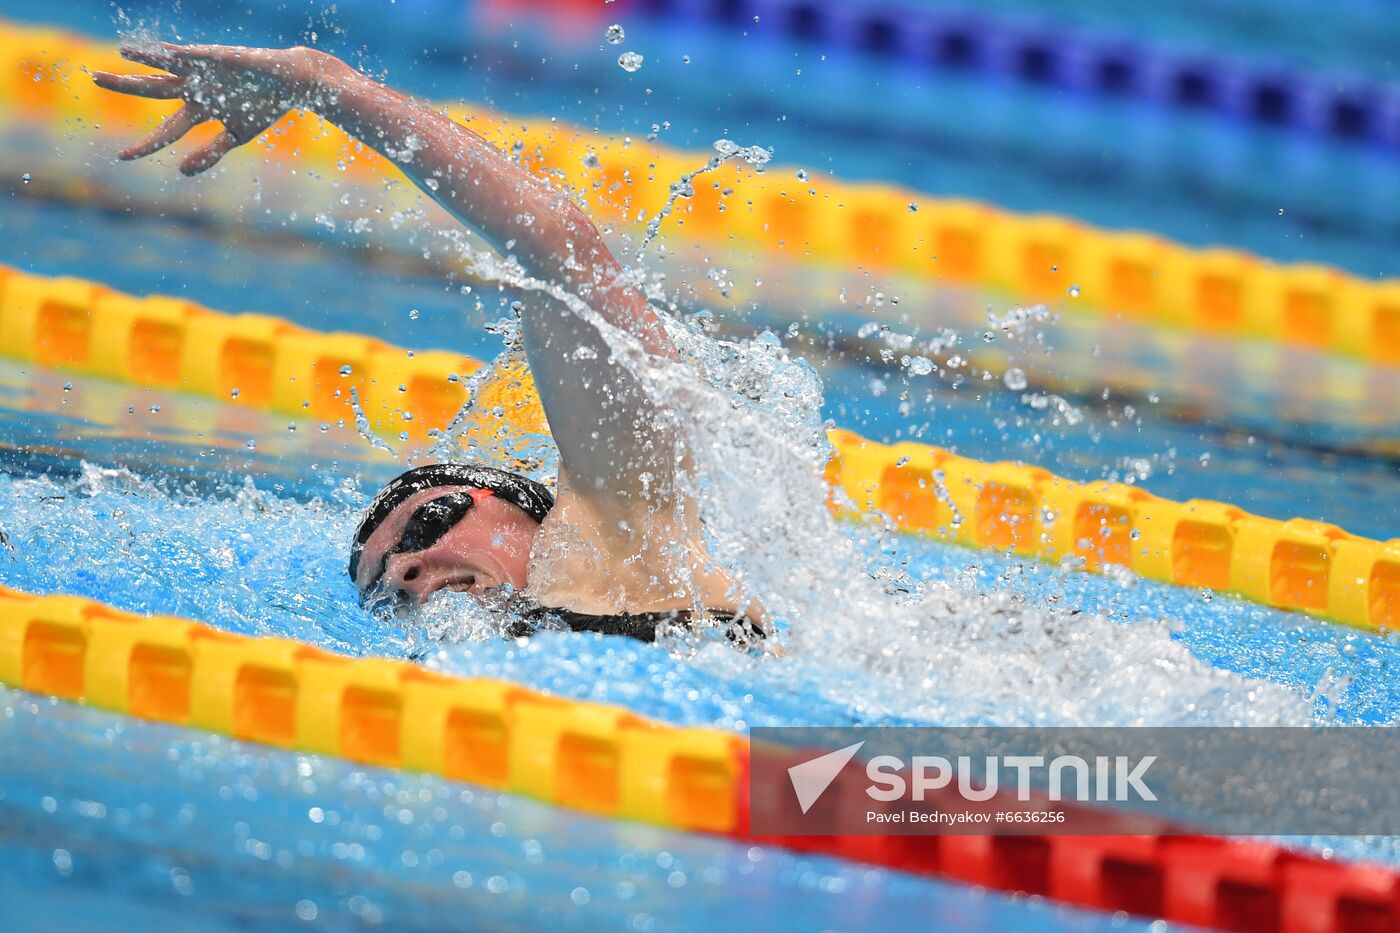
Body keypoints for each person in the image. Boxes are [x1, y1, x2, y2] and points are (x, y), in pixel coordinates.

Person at [94, 41, 763, 644]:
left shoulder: (628, 546)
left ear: (533, 514)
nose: (407, 570)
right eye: (381, 587)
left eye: (428, 522)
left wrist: (327, 86)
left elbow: (562, 257)